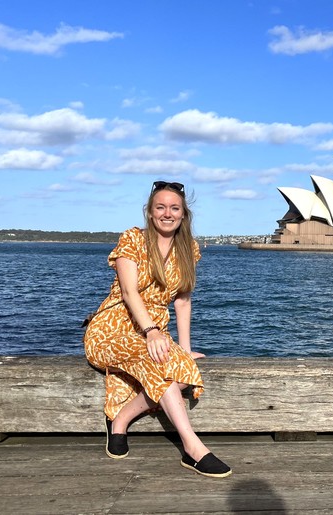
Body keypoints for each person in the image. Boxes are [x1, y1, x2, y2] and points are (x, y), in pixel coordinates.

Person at [83, 181, 231, 478]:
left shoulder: (189, 248)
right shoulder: (133, 240)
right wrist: (151, 331)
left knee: (184, 374)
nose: (167, 213)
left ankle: (120, 419)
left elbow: (183, 302)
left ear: (183, 214)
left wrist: (185, 349)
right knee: (162, 365)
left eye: (174, 208)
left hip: (153, 333)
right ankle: (192, 447)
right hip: (111, 328)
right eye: (160, 207)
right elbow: (129, 292)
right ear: (150, 213)